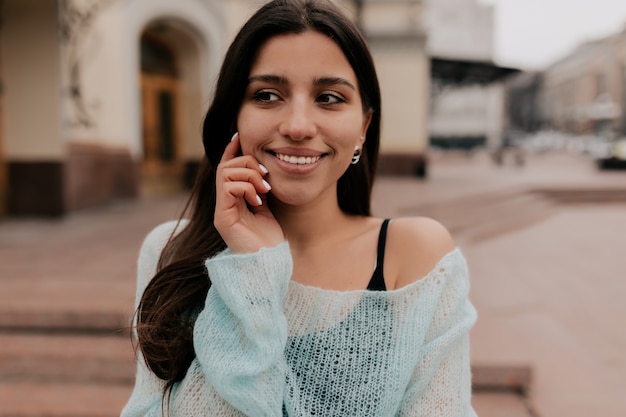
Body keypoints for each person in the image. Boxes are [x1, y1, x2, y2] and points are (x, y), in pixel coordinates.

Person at [121, 0, 477, 415]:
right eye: (267, 95)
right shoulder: (171, 250)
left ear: (363, 126)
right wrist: (251, 269)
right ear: (234, 114)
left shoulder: (416, 257)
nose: (298, 126)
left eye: (328, 98)